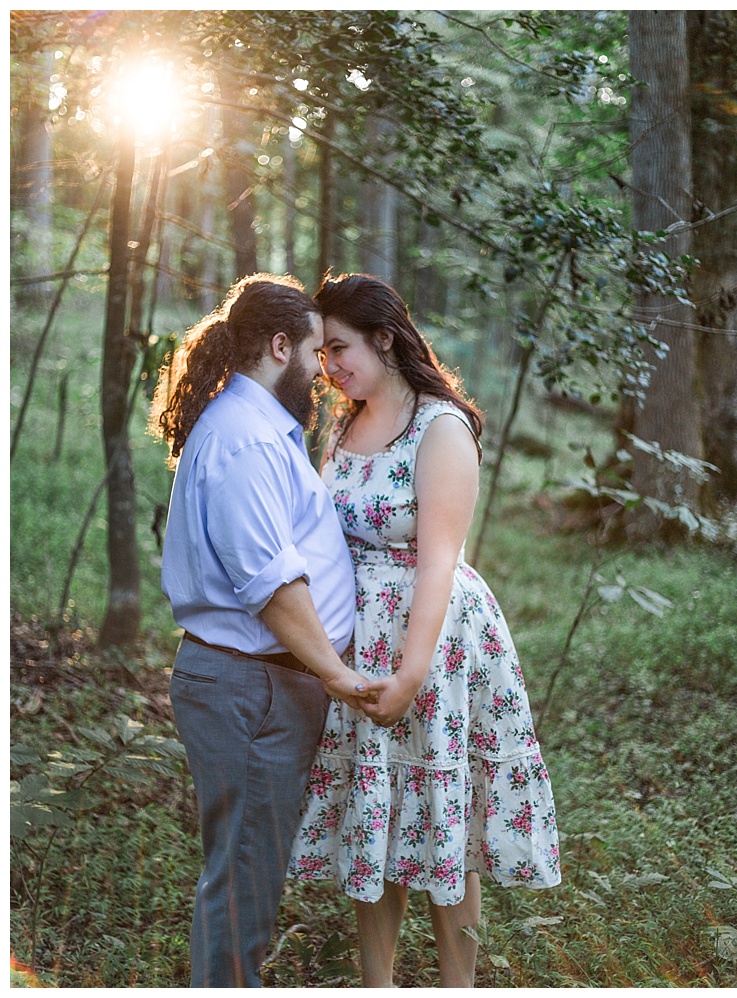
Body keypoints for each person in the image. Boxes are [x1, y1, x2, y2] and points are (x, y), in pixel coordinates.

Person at [287, 273, 561, 988]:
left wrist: (410, 674)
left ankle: (455, 984)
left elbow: (439, 562)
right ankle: (378, 984)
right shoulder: (346, 423)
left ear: (384, 337)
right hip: (358, 639)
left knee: (443, 816)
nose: (330, 366)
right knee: (373, 814)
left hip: (431, 641)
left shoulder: (440, 427)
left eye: (340, 348)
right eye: (322, 354)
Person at [149, 273, 381, 987]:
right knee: (245, 884)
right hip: (254, 690)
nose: (322, 373)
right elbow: (272, 588)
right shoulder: (246, 441)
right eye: (315, 353)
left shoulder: (254, 431)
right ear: (280, 347)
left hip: (264, 687)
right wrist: (337, 676)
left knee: (248, 874)